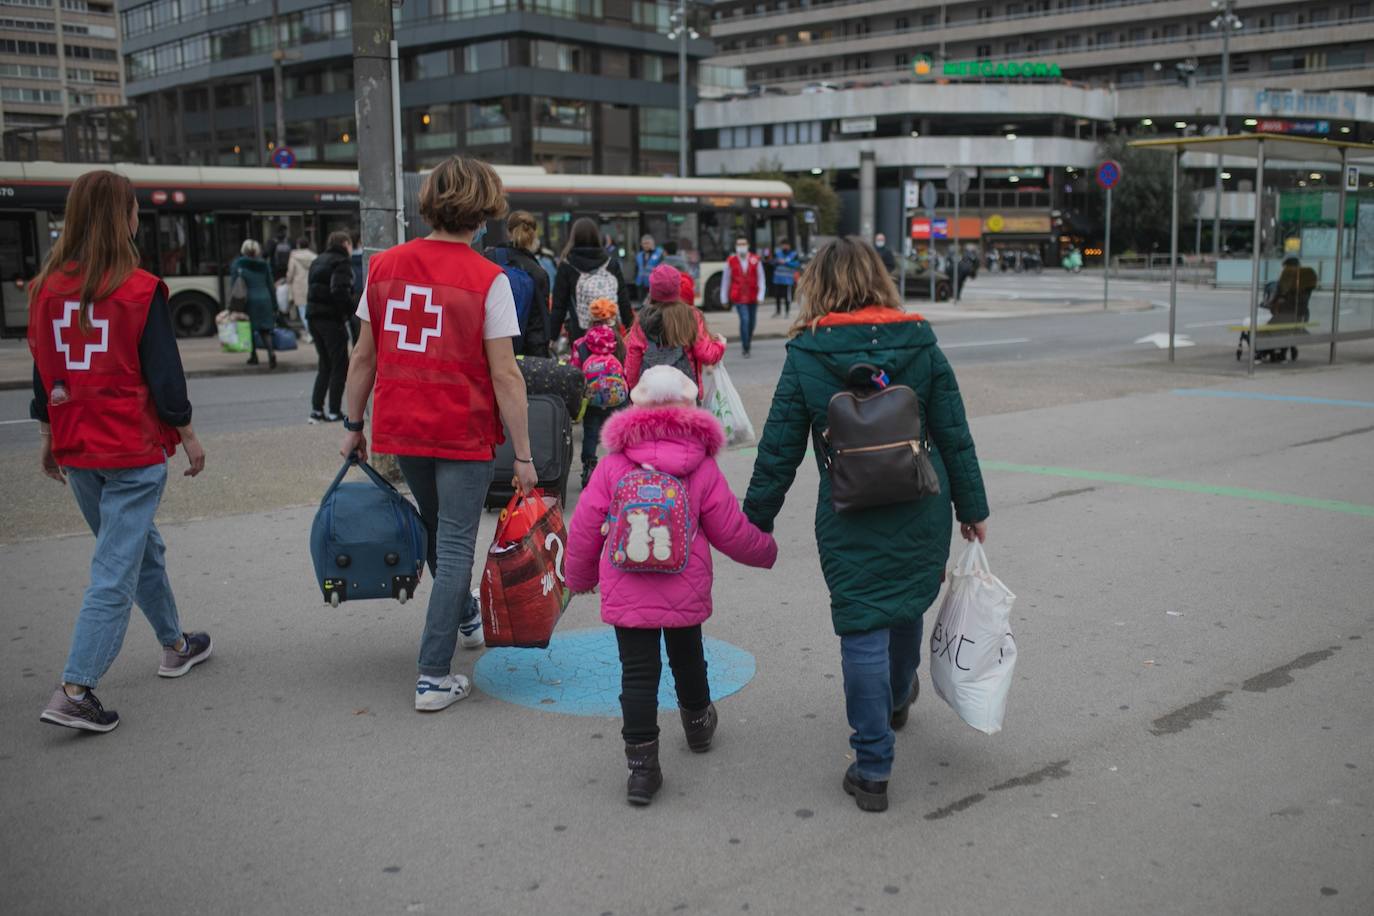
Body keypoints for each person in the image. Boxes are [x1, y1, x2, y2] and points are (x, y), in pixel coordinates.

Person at [742, 237, 990, 813]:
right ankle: (901, 692)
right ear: (878, 278)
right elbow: (953, 433)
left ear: (818, 285)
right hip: (920, 506)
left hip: (847, 513)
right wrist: (972, 509)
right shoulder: (921, 341)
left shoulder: (806, 353)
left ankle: (873, 767)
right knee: (905, 604)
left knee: (861, 626)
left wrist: (756, 522)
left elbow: (779, 449)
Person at [338, 155, 536, 713]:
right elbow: (506, 374)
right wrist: (524, 455)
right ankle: (432, 673)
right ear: (484, 209)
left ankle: (464, 613)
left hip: (403, 426)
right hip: (463, 429)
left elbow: (362, 358)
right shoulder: (487, 279)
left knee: (434, 529)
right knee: (453, 546)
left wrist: (353, 425)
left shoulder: (384, 268)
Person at [27, 169, 210, 734]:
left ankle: (175, 644)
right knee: (115, 567)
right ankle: (76, 688)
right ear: (123, 217)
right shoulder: (139, 288)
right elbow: (165, 376)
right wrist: (186, 433)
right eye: (133, 208)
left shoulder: (45, 288)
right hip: (129, 446)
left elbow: (43, 373)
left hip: (77, 442)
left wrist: (47, 437)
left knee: (136, 549)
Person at [566, 365, 777, 805]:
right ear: (690, 407)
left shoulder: (613, 465)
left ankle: (642, 769)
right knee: (688, 659)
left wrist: (581, 577)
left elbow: (586, 526)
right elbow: (731, 530)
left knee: (638, 674)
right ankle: (698, 726)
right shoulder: (700, 468)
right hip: (685, 586)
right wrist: (766, 552)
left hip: (627, 588)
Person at [627, 263, 726, 395]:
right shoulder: (691, 315)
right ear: (678, 288)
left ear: (652, 290)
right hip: (686, 394)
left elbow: (633, 362)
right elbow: (705, 354)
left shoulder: (641, 320)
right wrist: (720, 345)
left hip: (651, 395)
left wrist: (634, 391)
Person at [570, 297, 628, 487]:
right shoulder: (617, 341)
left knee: (591, 432)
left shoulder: (581, 343)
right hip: (616, 397)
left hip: (592, 398)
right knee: (618, 431)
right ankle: (621, 466)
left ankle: (589, 467)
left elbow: (576, 372)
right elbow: (625, 367)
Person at [550, 217, 634, 347]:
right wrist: (630, 328)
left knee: (582, 366)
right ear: (597, 236)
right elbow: (623, 300)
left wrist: (552, 337)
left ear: (574, 237)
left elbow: (559, 307)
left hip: (580, 334)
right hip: (610, 333)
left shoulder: (567, 266)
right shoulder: (610, 263)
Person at [484, 209, 551, 358]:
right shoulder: (538, 273)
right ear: (534, 235)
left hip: (487, 349)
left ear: (508, 232)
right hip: (521, 356)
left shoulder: (490, 259)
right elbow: (537, 329)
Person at [306, 231, 356, 422]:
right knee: (339, 364)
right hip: (331, 319)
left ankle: (316, 410)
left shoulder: (317, 260)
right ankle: (335, 410)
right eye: (350, 245)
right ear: (345, 244)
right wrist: (351, 310)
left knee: (324, 364)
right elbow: (339, 290)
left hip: (313, 318)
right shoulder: (341, 262)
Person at [230, 239, 277, 369]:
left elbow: (234, 286)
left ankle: (254, 356)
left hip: (249, 300)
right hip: (265, 297)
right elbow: (271, 285)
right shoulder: (264, 264)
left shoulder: (238, 265)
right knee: (265, 329)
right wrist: (275, 304)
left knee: (249, 328)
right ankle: (271, 353)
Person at [719, 237, 765, 358]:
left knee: (752, 322)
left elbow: (761, 278)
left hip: (752, 296)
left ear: (748, 245)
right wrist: (724, 298)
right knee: (745, 320)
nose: (741, 246)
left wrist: (761, 295)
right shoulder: (731, 261)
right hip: (738, 297)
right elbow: (725, 281)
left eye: (744, 243)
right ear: (736, 246)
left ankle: (748, 339)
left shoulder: (756, 260)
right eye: (739, 244)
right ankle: (746, 347)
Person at [284, 235, 317, 330]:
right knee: (312, 311)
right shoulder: (314, 257)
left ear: (298, 245)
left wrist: (287, 281)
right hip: (311, 285)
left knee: (303, 311)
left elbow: (290, 274)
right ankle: (313, 331)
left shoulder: (294, 257)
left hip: (299, 287)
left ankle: (310, 332)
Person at [771, 238, 800, 318]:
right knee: (777, 296)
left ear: (789, 246)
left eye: (786, 245)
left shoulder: (793, 254)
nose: (784, 247)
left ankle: (787, 312)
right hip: (778, 279)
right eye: (783, 245)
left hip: (788, 280)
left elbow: (796, 264)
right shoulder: (777, 253)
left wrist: (786, 262)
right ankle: (778, 311)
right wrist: (777, 262)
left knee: (787, 297)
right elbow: (772, 262)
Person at [633, 233, 663, 306]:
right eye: (644, 243)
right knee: (642, 304)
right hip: (641, 284)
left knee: (653, 305)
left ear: (653, 243)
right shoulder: (639, 255)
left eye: (647, 243)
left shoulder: (659, 254)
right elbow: (636, 269)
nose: (646, 245)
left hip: (654, 284)